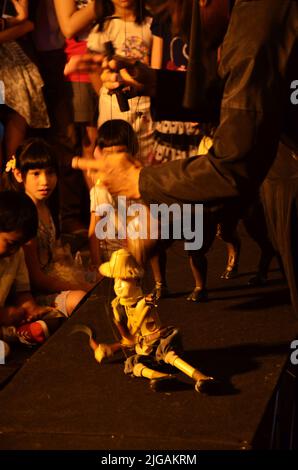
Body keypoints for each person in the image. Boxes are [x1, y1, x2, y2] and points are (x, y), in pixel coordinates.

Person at [67, 0, 298, 313]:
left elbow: (233, 165)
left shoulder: (258, 22)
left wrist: (139, 180)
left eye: (176, 18)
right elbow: (241, 98)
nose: (179, 33)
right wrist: (154, 82)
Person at [84, 248, 214, 392]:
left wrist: (139, 340)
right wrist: (110, 348)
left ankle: (201, 377)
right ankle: (161, 377)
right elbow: (128, 339)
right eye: (116, 280)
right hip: (145, 350)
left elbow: (157, 333)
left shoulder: (145, 304)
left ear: (136, 281)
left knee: (169, 355)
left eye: (124, 280)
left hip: (158, 344)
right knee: (132, 364)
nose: (118, 286)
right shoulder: (119, 307)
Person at [3, 138, 90, 317]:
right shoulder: (24, 219)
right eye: (36, 174)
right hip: (37, 293)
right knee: (80, 298)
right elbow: (36, 280)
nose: (45, 181)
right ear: (19, 175)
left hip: (54, 278)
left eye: (50, 173)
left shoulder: (47, 206)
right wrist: (78, 286)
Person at [87, 0, 154, 166]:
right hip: (113, 105)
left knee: (143, 156)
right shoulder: (103, 28)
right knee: (114, 155)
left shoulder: (150, 24)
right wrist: (108, 92)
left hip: (144, 105)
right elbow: (94, 71)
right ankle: (118, 193)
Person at [0, 191, 64, 355]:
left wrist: (31, 309)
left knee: (56, 318)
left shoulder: (17, 254)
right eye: (10, 243)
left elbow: (23, 291)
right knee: (3, 351)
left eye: (19, 244)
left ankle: (19, 335)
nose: (14, 249)